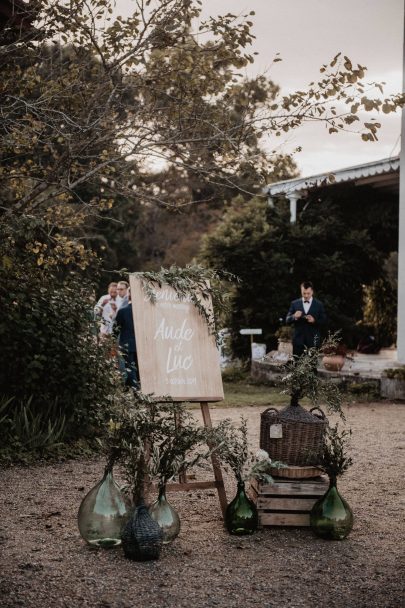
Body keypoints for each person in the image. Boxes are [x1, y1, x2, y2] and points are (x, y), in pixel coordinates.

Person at [286, 281, 327, 358]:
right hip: (298, 341)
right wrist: (294, 316)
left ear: (312, 291)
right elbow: (287, 320)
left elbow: (324, 321)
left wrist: (314, 321)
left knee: (312, 367)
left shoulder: (319, 305)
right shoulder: (294, 303)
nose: (306, 295)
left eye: (308, 293)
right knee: (297, 367)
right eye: (304, 293)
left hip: (313, 341)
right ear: (301, 291)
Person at [115, 291, 139, 389]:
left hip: (127, 344)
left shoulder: (122, 311)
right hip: (142, 344)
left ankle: (136, 390)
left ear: (128, 296)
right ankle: (131, 387)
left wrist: (112, 340)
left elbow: (116, 329)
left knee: (130, 368)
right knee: (136, 369)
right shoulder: (142, 311)